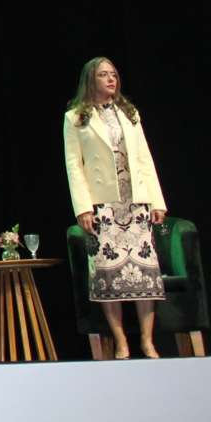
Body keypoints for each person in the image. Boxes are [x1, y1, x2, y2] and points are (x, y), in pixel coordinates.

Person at [63, 57, 167, 359]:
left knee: (145, 274)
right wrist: (83, 207)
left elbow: (145, 157)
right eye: (103, 75)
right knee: (110, 275)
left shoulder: (129, 113)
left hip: (135, 201)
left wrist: (156, 200)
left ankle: (147, 341)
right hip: (103, 205)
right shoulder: (76, 118)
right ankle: (121, 341)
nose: (111, 79)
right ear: (90, 81)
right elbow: (74, 165)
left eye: (114, 74)